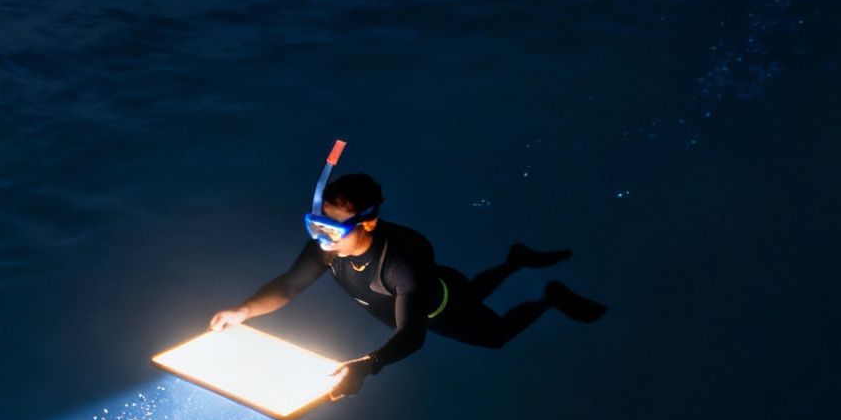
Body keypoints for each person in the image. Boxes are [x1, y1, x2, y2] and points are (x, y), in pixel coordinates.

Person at [209, 142, 606, 399]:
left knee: (495, 334)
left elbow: (413, 334)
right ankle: (516, 260)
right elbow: (289, 285)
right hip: (441, 287)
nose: (323, 239)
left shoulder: (402, 261)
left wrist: (367, 365)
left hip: (437, 308)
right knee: (472, 289)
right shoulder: (327, 249)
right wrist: (242, 311)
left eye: (333, 229)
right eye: (317, 226)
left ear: (368, 222)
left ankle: (549, 297)